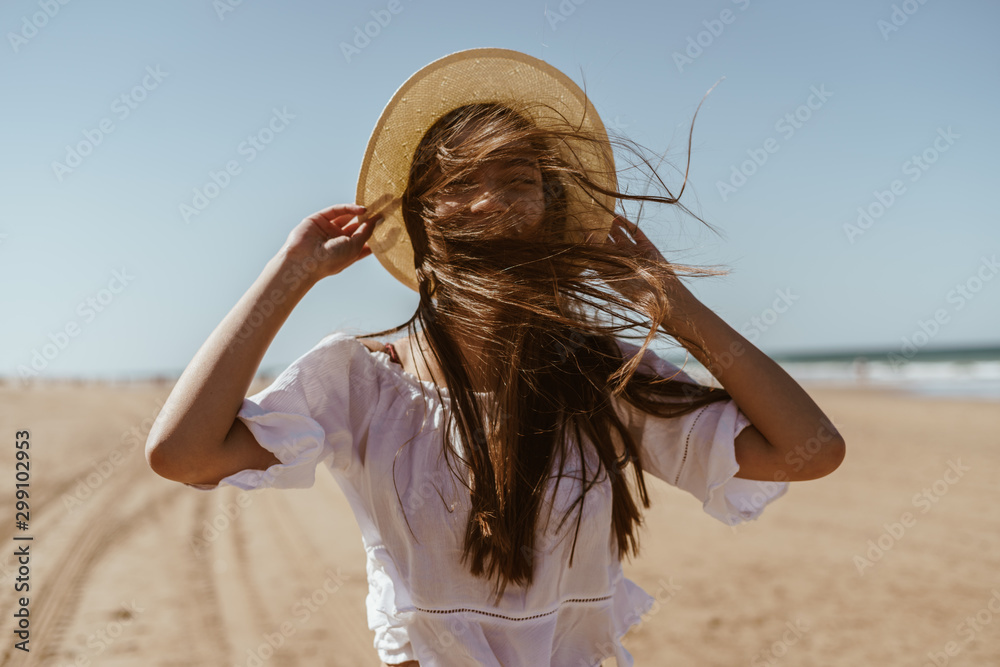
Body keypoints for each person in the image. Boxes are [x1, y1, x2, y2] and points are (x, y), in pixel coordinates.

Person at [145, 49, 845, 667]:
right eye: (462, 183)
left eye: (519, 178)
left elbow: (811, 450)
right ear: (423, 215)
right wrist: (292, 270)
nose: (494, 200)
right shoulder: (359, 380)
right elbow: (183, 453)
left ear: (550, 205)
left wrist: (673, 305)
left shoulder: (602, 377)